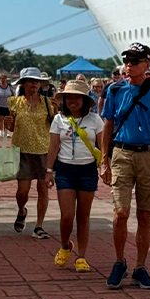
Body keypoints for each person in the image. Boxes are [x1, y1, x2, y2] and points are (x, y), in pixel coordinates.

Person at [101, 43, 150, 290]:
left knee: (145, 214)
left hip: (149, 155)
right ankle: (119, 262)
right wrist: (104, 160)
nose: (129, 65)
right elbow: (107, 125)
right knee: (120, 212)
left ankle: (140, 267)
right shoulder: (115, 90)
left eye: (135, 61)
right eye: (127, 61)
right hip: (122, 154)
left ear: (147, 64)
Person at [46, 80, 104, 272]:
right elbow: (53, 146)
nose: (72, 101)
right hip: (65, 170)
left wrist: (106, 166)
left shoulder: (95, 120)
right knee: (67, 216)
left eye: (76, 97)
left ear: (84, 100)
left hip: (87, 171)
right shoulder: (58, 119)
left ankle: (81, 256)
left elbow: (103, 145)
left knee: (83, 216)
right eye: (68, 97)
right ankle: (65, 246)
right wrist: (48, 170)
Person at [5, 67, 56, 239]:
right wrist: (8, 124)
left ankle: (39, 225)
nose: (34, 84)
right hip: (22, 151)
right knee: (22, 191)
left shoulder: (48, 103)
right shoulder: (14, 102)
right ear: (23, 84)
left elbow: (54, 127)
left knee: (43, 189)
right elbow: (12, 128)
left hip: (43, 150)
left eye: (37, 81)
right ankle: (22, 210)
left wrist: (56, 114)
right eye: (30, 81)